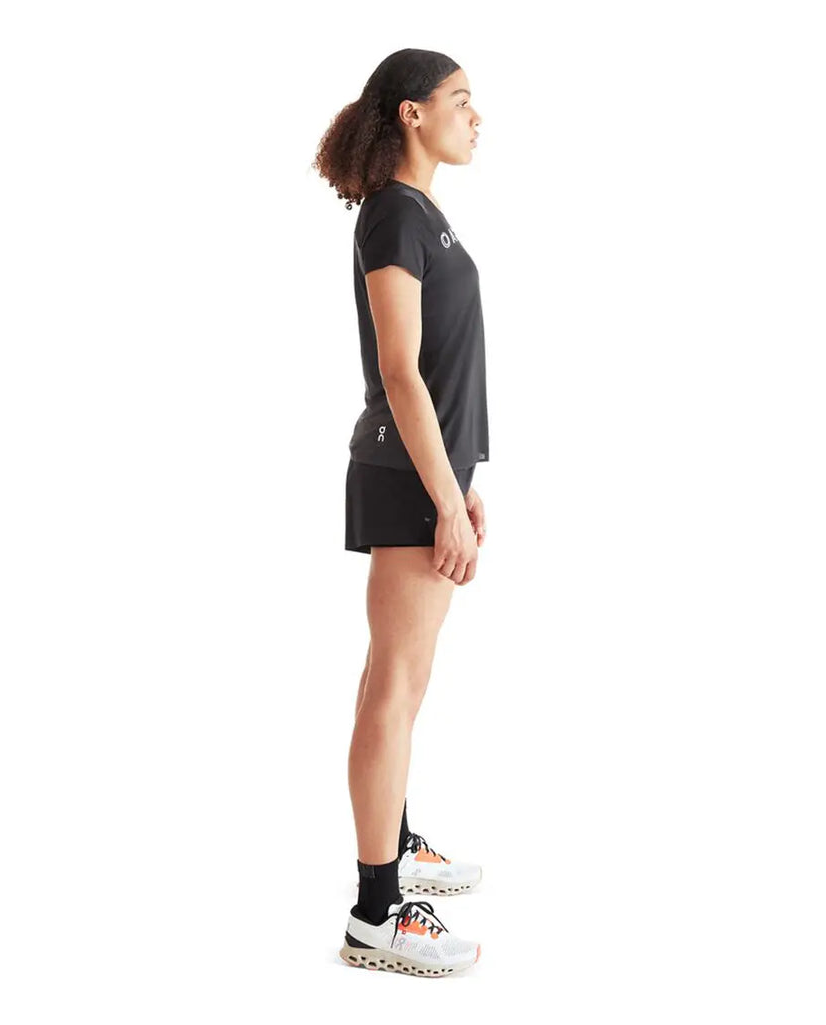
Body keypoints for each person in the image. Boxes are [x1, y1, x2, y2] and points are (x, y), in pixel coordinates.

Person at [312, 49, 490, 976]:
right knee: (394, 684)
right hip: (404, 478)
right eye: (461, 100)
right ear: (413, 113)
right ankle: (377, 911)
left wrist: (460, 479)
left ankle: (397, 837)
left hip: (427, 475)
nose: (476, 115)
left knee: (403, 679)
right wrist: (442, 498)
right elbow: (399, 370)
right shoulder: (392, 213)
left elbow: (442, 372)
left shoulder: (421, 213)